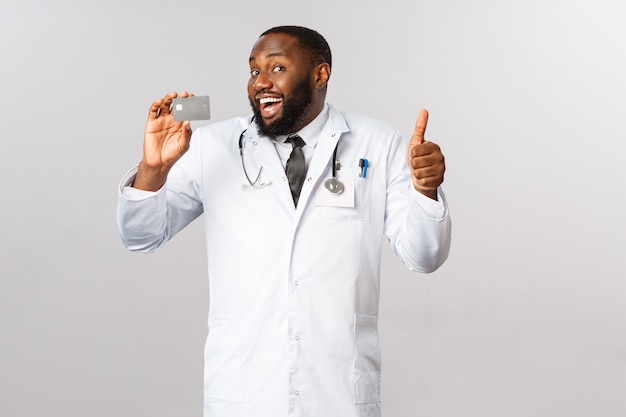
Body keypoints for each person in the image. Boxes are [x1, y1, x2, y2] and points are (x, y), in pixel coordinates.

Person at [117, 25, 451, 417]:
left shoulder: (378, 143)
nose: (260, 83)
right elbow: (141, 236)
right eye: (254, 70)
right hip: (245, 392)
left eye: (277, 68)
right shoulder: (213, 146)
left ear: (319, 74)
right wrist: (152, 170)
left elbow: (424, 255)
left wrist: (425, 191)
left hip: (338, 393)